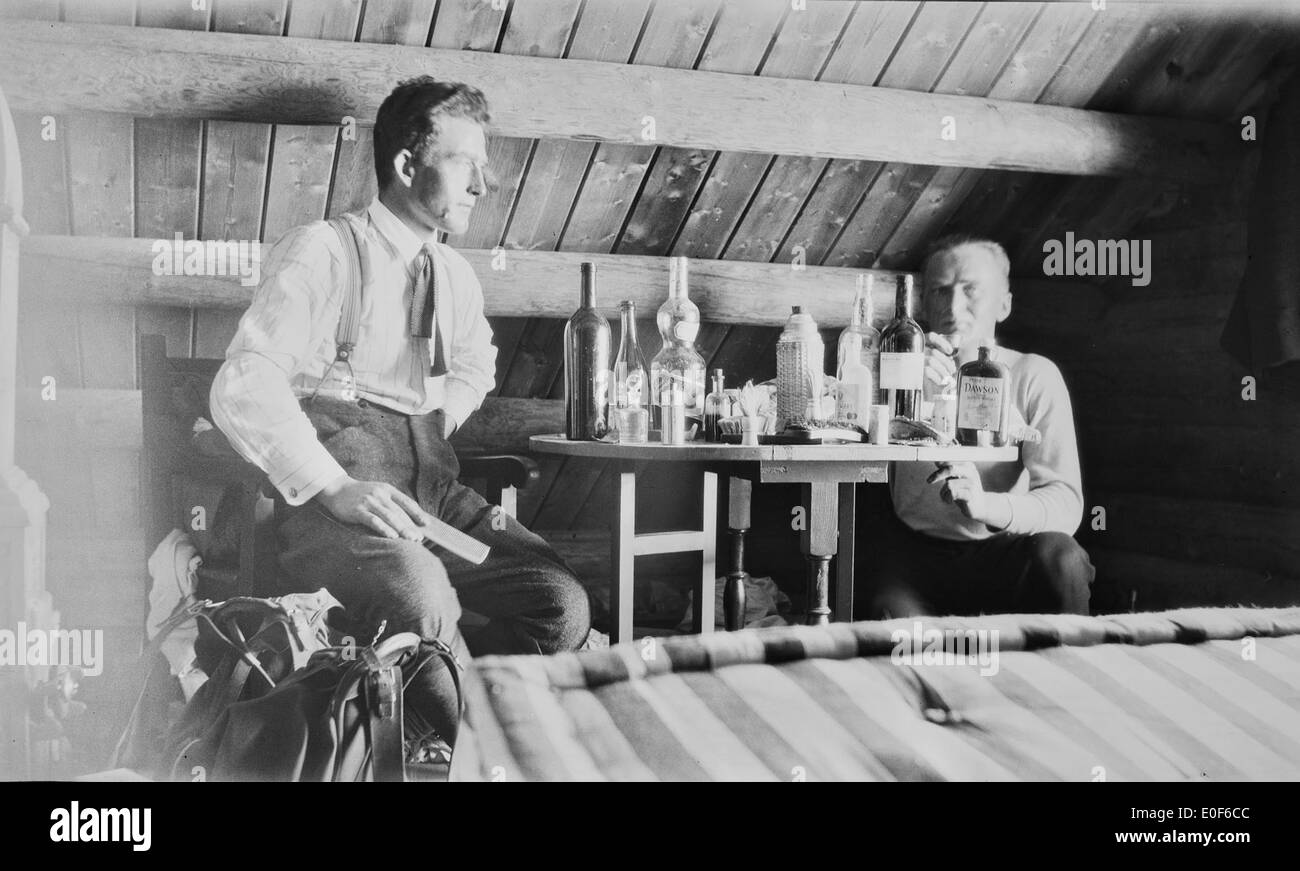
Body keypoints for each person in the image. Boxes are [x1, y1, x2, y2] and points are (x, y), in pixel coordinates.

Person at [209, 77, 591, 746]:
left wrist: (429, 425)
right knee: (421, 595)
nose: (485, 183)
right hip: (337, 506)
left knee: (560, 602)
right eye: (466, 163)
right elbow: (243, 381)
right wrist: (335, 485)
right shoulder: (326, 253)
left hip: (433, 494)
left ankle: (458, 728)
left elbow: (476, 366)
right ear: (407, 164)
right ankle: (483, 751)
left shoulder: (454, 275)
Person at [858, 235, 1095, 618]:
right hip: (915, 555)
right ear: (923, 304)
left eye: (970, 290)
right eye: (939, 291)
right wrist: (906, 387)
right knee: (890, 622)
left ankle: (1061, 676)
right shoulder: (899, 370)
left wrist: (986, 505)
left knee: (1062, 559)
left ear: (1004, 304)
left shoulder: (1033, 374)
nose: (952, 307)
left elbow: (1066, 503)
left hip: (1001, 550)